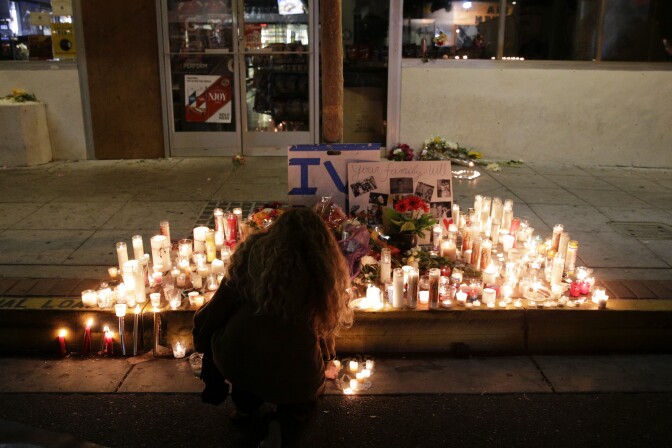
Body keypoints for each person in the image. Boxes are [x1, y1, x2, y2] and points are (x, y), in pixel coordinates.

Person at [193, 208, 353, 448]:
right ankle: (283, 425)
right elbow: (325, 329)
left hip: (238, 357)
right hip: (293, 367)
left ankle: (246, 406)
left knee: (246, 363)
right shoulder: (319, 268)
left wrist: (203, 343)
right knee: (308, 391)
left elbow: (217, 309)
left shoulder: (253, 253)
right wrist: (327, 359)